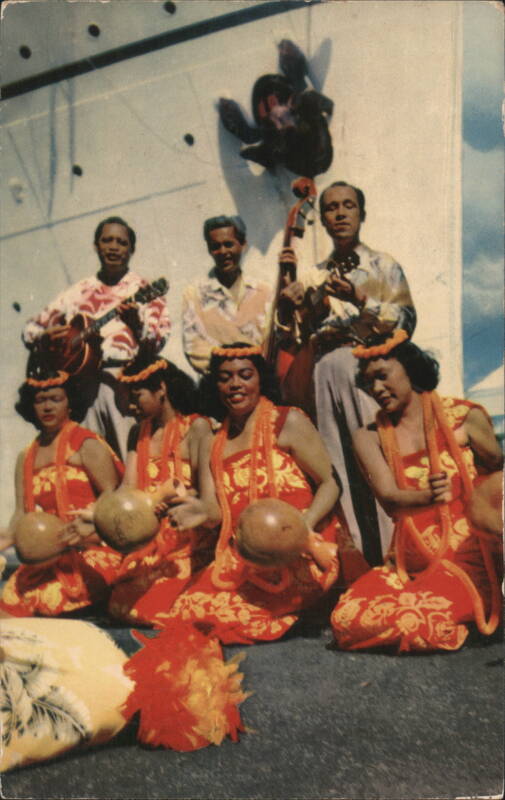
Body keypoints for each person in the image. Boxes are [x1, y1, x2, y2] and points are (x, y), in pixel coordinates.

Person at [155, 342, 368, 642]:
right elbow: (216, 512)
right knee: (187, 612)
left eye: (245, 375)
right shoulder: (214, 441)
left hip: (300, 548)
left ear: (261, 380)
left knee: (231, 620)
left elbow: (330, 483)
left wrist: (303, 526)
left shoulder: (287, 421)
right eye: (225, 377)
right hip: (245, 555)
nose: (235, 385)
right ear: (215, 385)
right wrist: (196, 510)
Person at [330, 331, 503, 653]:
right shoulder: (368, 437)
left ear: (411, 369)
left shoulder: (466, 415)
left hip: (467, 557)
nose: (377, 390)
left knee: (420, 620)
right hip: (407, 563)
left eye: (383, 377)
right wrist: (428, 496)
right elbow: (390, 501)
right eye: (369, 383)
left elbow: (498, 475)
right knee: (347, 617)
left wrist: (480, 446)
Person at [279, 181, 417, 565]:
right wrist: (294, 306)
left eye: (348, 206)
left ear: (362, 214)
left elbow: (406, 320)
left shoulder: (383, 265)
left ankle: (400, 552)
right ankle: (365, 558)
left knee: (379, 459)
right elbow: (290, 338)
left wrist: (360, 299)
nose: (340, 213)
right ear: (322, 219)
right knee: (339, 465)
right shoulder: (313, 275)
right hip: (324, 371)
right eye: (331, 208)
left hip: (367, 367)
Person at [22, 217, 170, 461]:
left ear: (131, 249)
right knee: (89, 461)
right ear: (96, 246)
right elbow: (30, 328)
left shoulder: (142, 289)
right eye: (107, 240)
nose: (113, 247)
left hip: (122, 383)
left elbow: (158, 341)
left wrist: (136, 325)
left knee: (129, 456)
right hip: (79, 386)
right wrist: (44, 337)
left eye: (121, 242)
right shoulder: (78, 291)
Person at [107, 349, 220, 625]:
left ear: (161, 389)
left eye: (136, 398)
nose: (130, 407)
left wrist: (169, 500)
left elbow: (208, 496)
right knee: (121, 604)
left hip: (189, 538)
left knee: (154, 608)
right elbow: (128, 488)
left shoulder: (198, 428)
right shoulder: (138, 432)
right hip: (149, 535)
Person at [0, 367, 124, 618]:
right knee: (8, 609)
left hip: (93, 551)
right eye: (40, 400)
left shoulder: (86, 443)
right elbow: (20, 517)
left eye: (55, 399)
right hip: (48, 557)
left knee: (50, 603)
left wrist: (88, 529)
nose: (47, 407)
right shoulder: (26, 456)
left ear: (70, 403)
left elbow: (113, 500)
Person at [182, 216, 272, 374]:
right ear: (209, 250)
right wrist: (232, 371)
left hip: (260, 378)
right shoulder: (194, 294)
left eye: (228, 244)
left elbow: (271, 340)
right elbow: (194, 347)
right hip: (217, 384)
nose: (223, 252)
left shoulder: (264, 291)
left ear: (243, 245)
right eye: (216, 246)